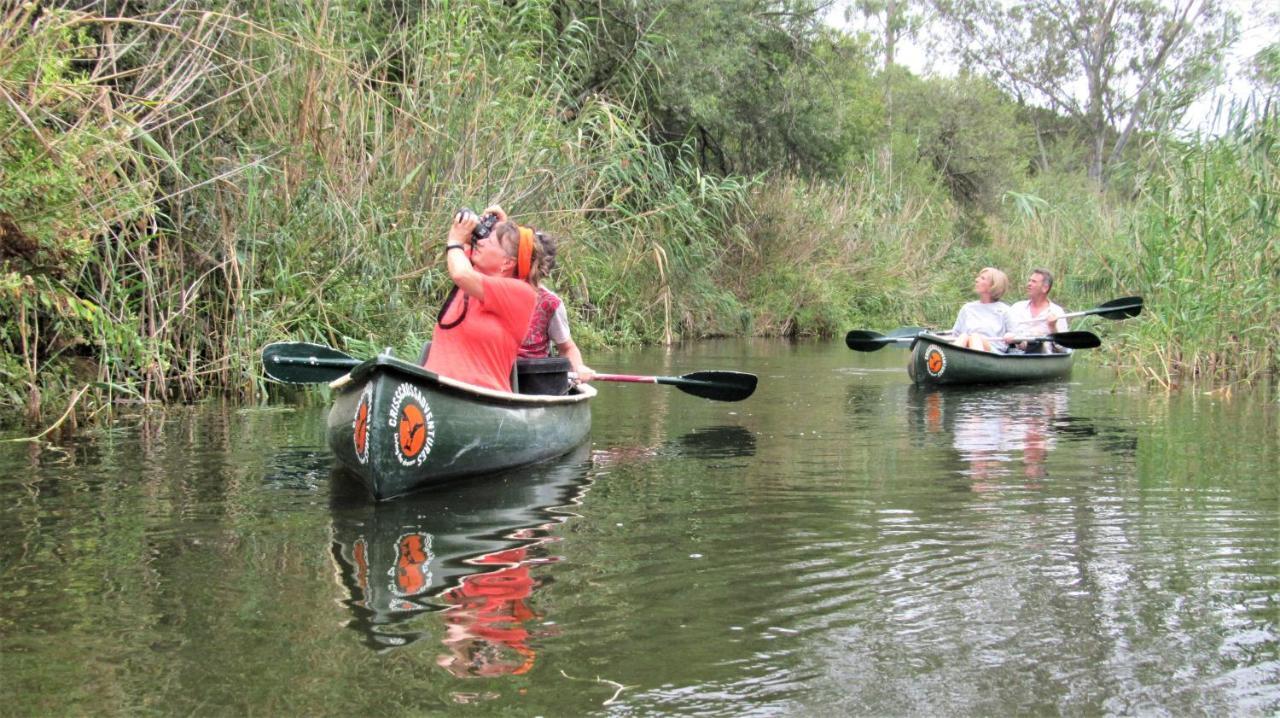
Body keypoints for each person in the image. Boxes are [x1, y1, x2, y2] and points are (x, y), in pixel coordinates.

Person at [423, 207, 547, 392]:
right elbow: (461, 259)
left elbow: (460, 272)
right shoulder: (476, 272)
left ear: (507, 262)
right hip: (430, 391)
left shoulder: (522, 293)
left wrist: (455, 241)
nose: (481, 242)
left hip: (479, 398)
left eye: (489, 241)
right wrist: (497, 226)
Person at [478, 207, 596, 382]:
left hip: (533, 379)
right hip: (492, 372)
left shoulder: (550, 303)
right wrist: (498, 225)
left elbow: (567, 347)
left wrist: (578, 367)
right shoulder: (492, 283)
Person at [1003, 268, 1068, 353]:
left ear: (1045, 288)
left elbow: (1063, 349)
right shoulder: (1017, 307)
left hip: (1041, 358)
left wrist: (1053, 328)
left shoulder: (1056, 312)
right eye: (1029, 281)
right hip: (1015, 354)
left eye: (1034, 282)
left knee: (1036, 337)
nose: (1029, 284)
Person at [949, 267, 1011, 352]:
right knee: (964, 336)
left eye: (982, 278)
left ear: (993, 285)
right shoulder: (967, 308)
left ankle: (976, 361)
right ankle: (952, 358)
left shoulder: (1005, 310)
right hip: (965, 349)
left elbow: (1019, 339)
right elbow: (955, 335)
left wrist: (1011, 336)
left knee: (975, 337)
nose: (976, 280)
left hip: (993, 353)